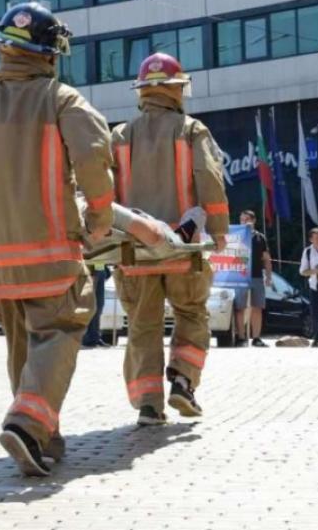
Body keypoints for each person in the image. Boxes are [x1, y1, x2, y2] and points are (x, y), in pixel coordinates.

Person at [0, 2, 114, 476]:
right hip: (51, 252)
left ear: (5, 49)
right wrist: (100, 215)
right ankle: (29, 423)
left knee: (22, 347)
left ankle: (39, 436)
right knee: (63, 327)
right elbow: (94, 157)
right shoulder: (62, 100)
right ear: (51, 53)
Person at [111, 51, 230, 426]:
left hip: (134, 254)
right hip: (185, 250)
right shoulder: (192, 130)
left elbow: (103, 194)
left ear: (143, 92)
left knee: (142, 326)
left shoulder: (120, 136)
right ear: (177, 90)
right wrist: (220, 231)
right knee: (191, 314)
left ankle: (149, 404)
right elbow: (210, 181)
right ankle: (182, 379)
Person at [234, 210, 272, 347]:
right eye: (241, 219)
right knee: (240, 307)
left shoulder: (260, 237)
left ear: (253, 221)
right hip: (240, 277)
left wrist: (268, 276)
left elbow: (266, 258)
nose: (243, 222)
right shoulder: (235, 236)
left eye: (246, 219)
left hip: (256, 276)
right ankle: (241, 337)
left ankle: (256, 338)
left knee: (257, 307)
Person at [82, 261, 110, 348]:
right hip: (88, 267)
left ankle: (95, 337)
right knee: (88, 305)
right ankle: (87, 337)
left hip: (99, 265)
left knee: (99, 306)